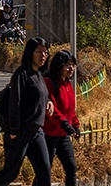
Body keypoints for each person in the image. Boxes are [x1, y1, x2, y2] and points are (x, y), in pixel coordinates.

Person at [0, 36, 53, 186]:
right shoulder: (21, 75)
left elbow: (40, 96)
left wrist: (48, 103)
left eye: (45, 52)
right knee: (10, 172)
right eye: (39, 52)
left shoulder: (39, 75)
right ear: (30, 53)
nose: (43, 56)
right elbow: (14, 102)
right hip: (21, 132)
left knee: (44, 172)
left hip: (36, 131)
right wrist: (14, 130)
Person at [43, 50, 81, 186]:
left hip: (63, 135)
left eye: (73, 65)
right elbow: (51, 110)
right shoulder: (49, 83)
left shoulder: (68, 84)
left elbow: (70, 109)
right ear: (59, 66)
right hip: (49, 135)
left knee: (71, 168)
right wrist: (65, 124)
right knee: (45, 171)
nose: (71, 69)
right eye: (67, 65)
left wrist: (75, 125)